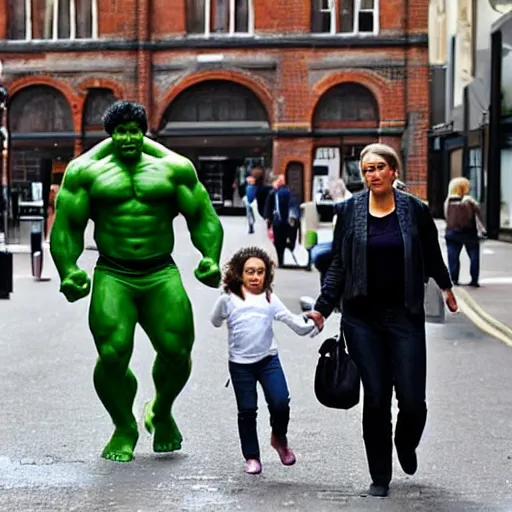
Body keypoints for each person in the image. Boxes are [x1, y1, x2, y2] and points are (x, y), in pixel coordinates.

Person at [50, 100, 224, 463]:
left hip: (161, 271)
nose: (128, 138)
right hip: (113, 271)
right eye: (120, 131)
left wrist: (210, 257)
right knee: (112, 354)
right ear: (110, 134)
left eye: (134, 130)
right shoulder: (86, 172)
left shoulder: (173, 168)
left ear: (144, 131)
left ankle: (160, 410)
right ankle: (123, 424)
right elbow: (67, 226)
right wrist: (68, 269)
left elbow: (202, 215)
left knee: (177, 353)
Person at [307, 143, 458, 498]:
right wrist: (322, 307)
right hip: (362, 319)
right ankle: (380, 474)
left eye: (379, 168)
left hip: (404, 314)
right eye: (367, 170)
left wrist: (447, 286)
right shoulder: (349, 211)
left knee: (412, 399)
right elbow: (339, 266)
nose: (372, 175)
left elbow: (431, 253)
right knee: (376, 397)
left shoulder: (415, 210)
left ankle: (405, 443)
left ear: (393, 172)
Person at [210, 247, 317, 475]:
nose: (255, 277)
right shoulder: (228, 299)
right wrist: (221, 308)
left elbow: (294, 323)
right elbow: (215, 320)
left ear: (266, 275)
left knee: (280, 402)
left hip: (268, 361)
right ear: (240, 273)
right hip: (240, 366)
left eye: (260, 272)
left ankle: (279, 439)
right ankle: (252, 456)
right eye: (250, 272)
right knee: (247, 410)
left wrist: (313, 321)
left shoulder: (270, 298)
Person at [444, 177, 486, 287]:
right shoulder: (469, 201)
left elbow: (446, 216)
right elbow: (476, 214)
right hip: (469, 232)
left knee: (453, 257)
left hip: (452, 232)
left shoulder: (448, 201)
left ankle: (454, 279)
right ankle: (474, 280)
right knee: (473, 255)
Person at [264, 175, 300, 267]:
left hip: (282, 221)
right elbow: (269, 206)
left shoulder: (283, 192)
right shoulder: (274, 193)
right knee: (280, 241)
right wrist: (268, 218)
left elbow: (293, 205)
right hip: (281, 221)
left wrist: (268, 218)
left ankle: (283, 259)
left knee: (280, 241)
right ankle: (281, 259)